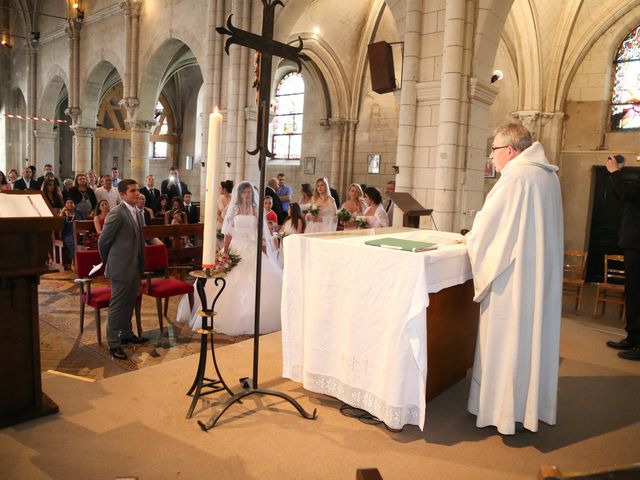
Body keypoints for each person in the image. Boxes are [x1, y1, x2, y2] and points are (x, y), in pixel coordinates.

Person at [464, 123, 563, 435]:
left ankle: (501, 410)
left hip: (513, 280)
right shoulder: (548, 175)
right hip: (537, 275)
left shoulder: (516, 176)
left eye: (493, 150)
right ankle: (525, 407)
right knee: (529, 341)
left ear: (510, 150)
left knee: (507, 341)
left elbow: (487, 229)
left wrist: (469, 241)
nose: (491, 158)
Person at [176, 181, 283, 335]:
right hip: (236, 247)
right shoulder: (234, 210)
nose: (247, 195)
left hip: (252, 248)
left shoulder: (256, 210)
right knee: (225, 279)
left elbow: (261, 232)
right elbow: (228, 232)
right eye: (245, 192)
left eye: (249, 192)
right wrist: (225, 252)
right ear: (240, 194)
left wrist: (263, 248)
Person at [98, 179, 148, 360]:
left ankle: (126, 333)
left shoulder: (136, 211)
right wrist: (108, 262)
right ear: (123, 195)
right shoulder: (117, 213)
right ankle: (113, 344)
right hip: (121, 267)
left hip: (134, 265)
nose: (137, 193)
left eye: (138, 190)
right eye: (133, 191)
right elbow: (103, 241)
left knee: (130, 302)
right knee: (117, 306)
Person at [604, 154, 640, 361]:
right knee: (633, 293)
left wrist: (616, 172)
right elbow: (624, 194)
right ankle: (633, 337)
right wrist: (618, 173)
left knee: (638, 294)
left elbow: (629, 193)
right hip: (634, 244)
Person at [60, 196, 86, 270]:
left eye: (71, 203)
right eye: (68, 203)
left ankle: (83, 262)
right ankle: (73, 262)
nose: (70, 204)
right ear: (65, 205)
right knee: (73, 242)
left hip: (80, 233)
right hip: (68, 234)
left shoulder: (78, 212)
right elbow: (59, 224)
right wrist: (62, 213)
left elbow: (84, 222)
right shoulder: (63, 214)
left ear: (74, 204)